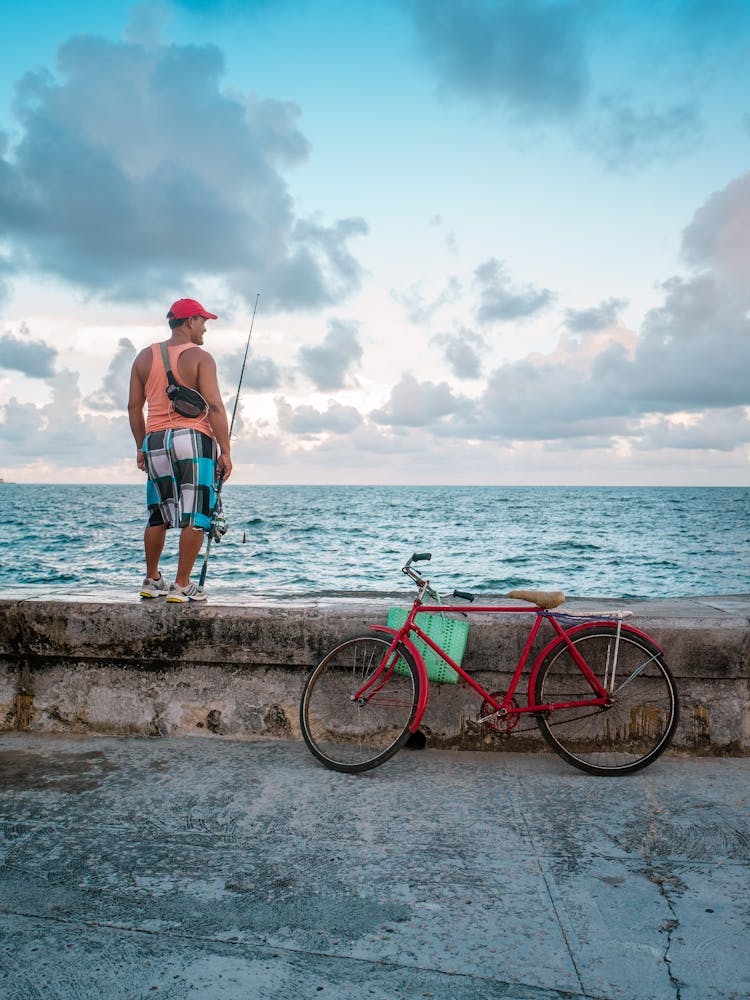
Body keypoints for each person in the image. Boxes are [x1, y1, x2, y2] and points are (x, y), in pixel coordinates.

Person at [128, 298, 233, 602]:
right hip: (193, 438)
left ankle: (151, 579)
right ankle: (181, 583)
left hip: (156, 439)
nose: (205, 328)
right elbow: (213, 405)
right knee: (196, 513)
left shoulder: (144, 357)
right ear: (189, 322)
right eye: (203, 321)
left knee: (158, 514)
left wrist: (140, 446)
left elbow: (134, 407)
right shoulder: (200, 357)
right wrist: (225, 451)